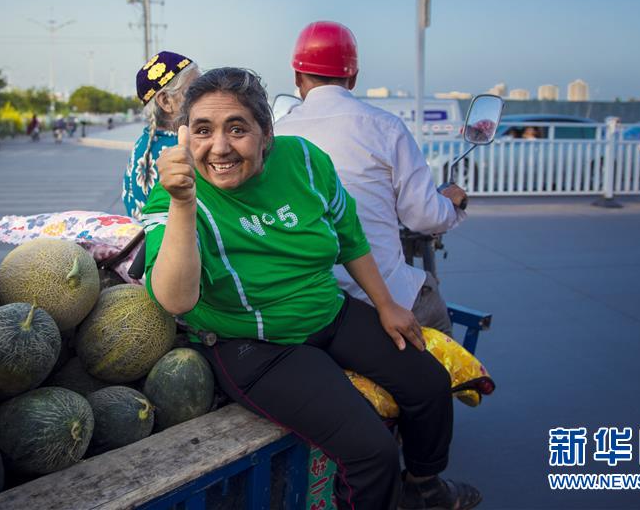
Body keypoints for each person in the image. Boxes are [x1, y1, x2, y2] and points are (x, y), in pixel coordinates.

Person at [142, 67, 481, 510]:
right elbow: (175, 299)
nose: (220, 147)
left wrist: (386, 304)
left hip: (328, 311)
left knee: (429, 383)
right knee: (371, 451)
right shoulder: (174, 197)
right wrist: (184, 202)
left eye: (238, 129)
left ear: (267, 135)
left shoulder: (303, 159)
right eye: (203, 131)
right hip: (255, 345)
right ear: (186, 137)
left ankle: (423, 488)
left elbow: (350, 236)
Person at [274, 21, 466, 335]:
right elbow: (423, 216)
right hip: (384, 300)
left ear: (297, 77)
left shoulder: (276, 136)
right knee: (439, 328)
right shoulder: (386, 127)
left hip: (305, 304)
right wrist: (452, 204)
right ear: (353, 77)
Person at [121, 50, 200, 219]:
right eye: (195, 90)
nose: (205, 96)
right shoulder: (181, 149)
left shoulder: (144, 142)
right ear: (165, 101)